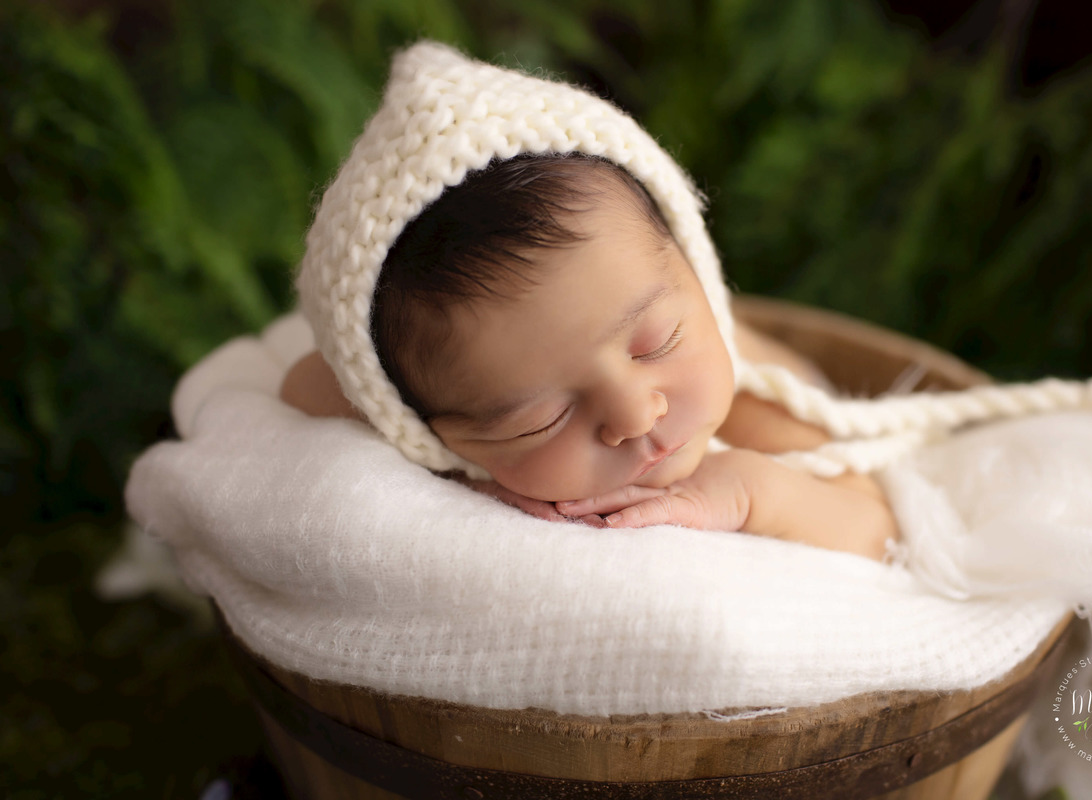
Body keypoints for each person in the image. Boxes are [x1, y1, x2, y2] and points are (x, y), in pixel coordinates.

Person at [283, 42, 897, 560]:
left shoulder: (754, 400)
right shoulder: (413, 409)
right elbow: (306, 387)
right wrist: (458, 478)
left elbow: (875, 529)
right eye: (540, 419)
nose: (635, 416)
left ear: (697, 271)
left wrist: (751, 492)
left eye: (658, 342)